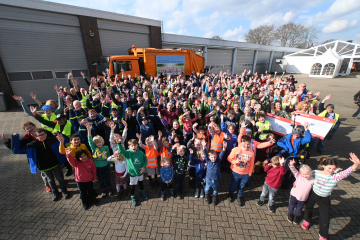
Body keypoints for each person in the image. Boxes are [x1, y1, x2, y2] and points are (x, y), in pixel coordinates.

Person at [301, 154, 359, 240]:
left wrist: (356, 164)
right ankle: (307, 220)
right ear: (323, 166)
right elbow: (305, 177)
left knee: (325, 218)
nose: (331, 170)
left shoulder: (335, 177)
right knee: (308, 208)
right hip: (313, 194)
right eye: (329, 168)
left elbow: (346, 172)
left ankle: (323, 235)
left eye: (334, 169)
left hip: (324, 198)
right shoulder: (315, 172)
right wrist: (297, 183)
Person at [12, 128, 70, 201]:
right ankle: (55, 193)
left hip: (55, 164)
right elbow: (17, 151)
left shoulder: (52, 140)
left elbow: (67, 141)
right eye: (40, 135)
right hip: (44, 167)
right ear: (36, 137)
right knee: (50, 180)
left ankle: (64, 191)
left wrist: (62, 137)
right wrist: (15, 138)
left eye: (43, 134)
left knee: (60, 178)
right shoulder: (32, 145)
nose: (42, 136)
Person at [118, 139, 148, 206]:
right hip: (133, 173)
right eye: (132, 146)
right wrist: (119, 143)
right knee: (133, 186)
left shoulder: (141, 153)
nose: (133, 147)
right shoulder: (127, 153)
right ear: (129, 147)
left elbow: (145, 159)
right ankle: (133, 196)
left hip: (140, 172)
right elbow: (121, 151)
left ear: (137, 145)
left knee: (141, 183)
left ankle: (142, 192)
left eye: (135, 145)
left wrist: (144, 167)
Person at [227, 135, 255, 206]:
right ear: (241, 142)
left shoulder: (251, 153)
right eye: (244, 143)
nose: (246, 145)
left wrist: (250, 173)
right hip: (235, 172)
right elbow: (229, 158)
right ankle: (230, 194)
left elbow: (252, 164)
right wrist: (235, 162)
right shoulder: (235, 150)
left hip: (245, 174)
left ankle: (239, 196)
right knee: (233, 184)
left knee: (242, 186)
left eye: (248, 144)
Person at [86, 124, 112, 198]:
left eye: (100, 142)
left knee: (107, 178)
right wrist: (89, 130)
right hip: (98, 167)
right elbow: (89, 140)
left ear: (102, 141)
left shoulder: (106, 147)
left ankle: (109, 188)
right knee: (101, 179)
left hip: (106, 166)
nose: (99, 144)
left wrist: (109, 163)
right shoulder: (94, 148)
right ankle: (104, 189)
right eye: (97, 143)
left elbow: (109, 156)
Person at [287, 160, 314, 225]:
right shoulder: (299, 176)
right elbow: (293, 170)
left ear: (310, 173)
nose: (305, 176)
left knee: (299, 208)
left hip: (303, 197)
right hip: (294, 194)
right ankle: (290, 215)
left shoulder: (313, 179)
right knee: (291, 206)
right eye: (303, 174)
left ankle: (296, 217)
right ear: (300, 173)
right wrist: (291, 165)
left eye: (307, 174)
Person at [203, 141, 226, 205]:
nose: (213, 158)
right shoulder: (208, 161)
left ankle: (215, 197)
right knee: (207, 188)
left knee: (215, 189)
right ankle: (207, 196)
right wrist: (203, 147)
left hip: (216, 179)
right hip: (208, 178)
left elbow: (221, 155)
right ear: (209, 157)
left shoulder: (217, 161)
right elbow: (205, 154)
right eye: (212, 157)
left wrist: (224, 149)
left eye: (215, 157)